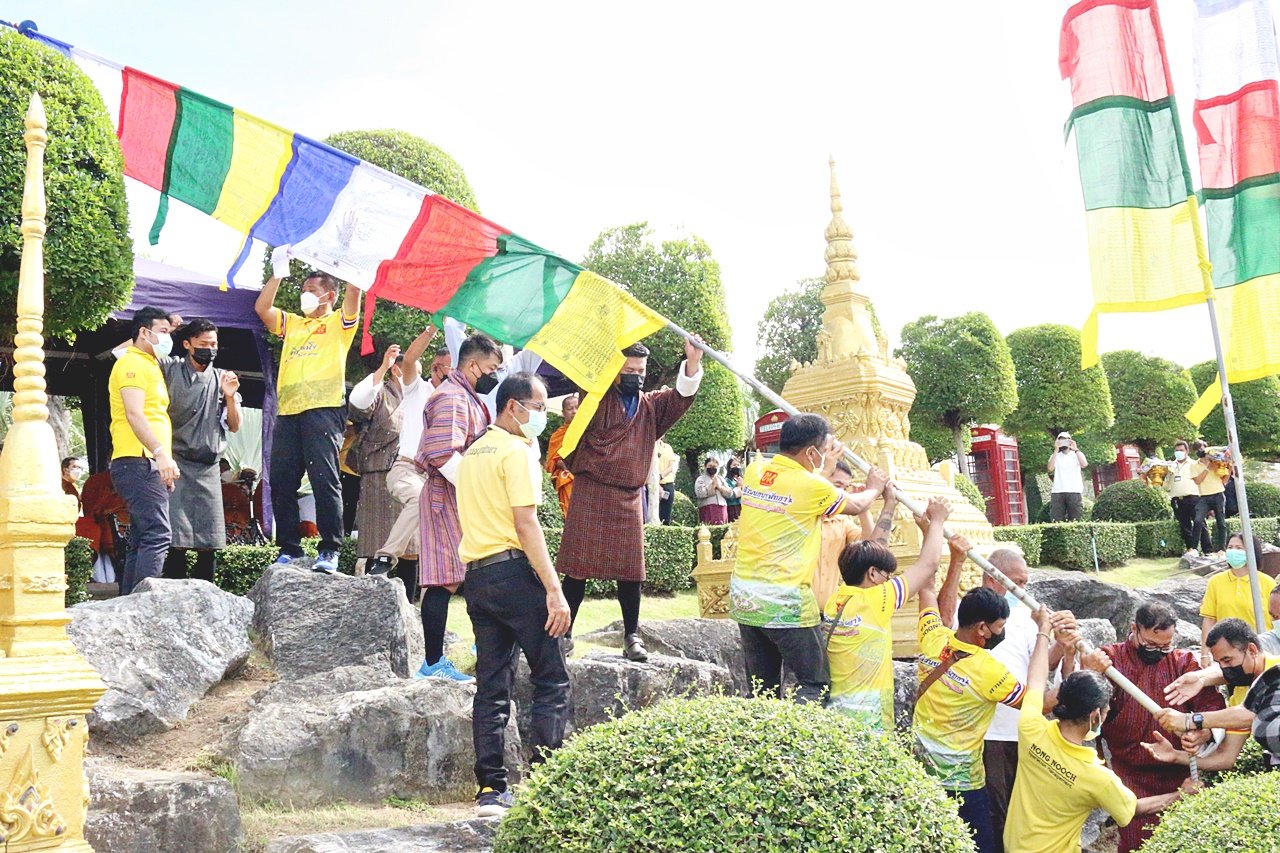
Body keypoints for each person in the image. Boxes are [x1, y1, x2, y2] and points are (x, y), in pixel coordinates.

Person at [456, 372, 571, 819]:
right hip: (516, 573)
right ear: (513, 407)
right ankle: (547, 785)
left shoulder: (473, 452)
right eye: (539, 407)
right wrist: (554, 589)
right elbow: (527, 525)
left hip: (479, 579)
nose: (543, 415)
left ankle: (490, 788)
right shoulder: (516, 452)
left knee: (491, 686)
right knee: (551, 676)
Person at [557, 338, 705, 662]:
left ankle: (631, 635)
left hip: (628, 496)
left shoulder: (651, 406)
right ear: (614, 371)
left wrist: (692, 361)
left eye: (640, 370)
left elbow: (681, 397)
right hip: (591, 490)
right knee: (577, 569)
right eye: (628, 370)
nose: (635, 376)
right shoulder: (595, 398)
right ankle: (563, 635)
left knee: (631, 572)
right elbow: (589, 374)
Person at [1004, 607, 1194, 853]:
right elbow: (1133, 807)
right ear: (1096, 715)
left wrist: (1044, 630)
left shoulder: (1031, 730)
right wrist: (1182, 794)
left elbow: (1036, 679)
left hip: (1014, 846)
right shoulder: (1096, 777)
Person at [730, 413, 888, 703]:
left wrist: (825, 464)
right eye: (824, 450)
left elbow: (798, 485)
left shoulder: (755, 471)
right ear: (811, 453)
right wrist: (875, 487)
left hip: (744, 598)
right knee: (815, 683)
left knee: (763, 691)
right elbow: (854, 505)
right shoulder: (813, 487)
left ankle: (764, 741)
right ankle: (799, 743)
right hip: (783, 600)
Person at [936, 545, 1076, 853]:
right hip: (990, 733)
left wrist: (1061, 644)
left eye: (1026, 582)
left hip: (1024, 729)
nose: (1023, 589)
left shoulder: (1028, 616)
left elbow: (1041, 665)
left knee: (1025, 808)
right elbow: (942, 619)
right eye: (1017, 582)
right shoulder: (971, 613)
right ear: (991, 578)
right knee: (995, 811)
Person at [1076, 602, 1226, 853]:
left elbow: (1213, 707)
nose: (1158, 651)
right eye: (1151, 644)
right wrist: (1091, 672)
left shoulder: (1183, 663)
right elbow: (1087, 712)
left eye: (1165, 646)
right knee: (1138, 841)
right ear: (1134, 629)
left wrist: (1204, 731)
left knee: (1183, 839)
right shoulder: (1110, 660)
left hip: (1178, 769)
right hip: (1130, 770)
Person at [255, 246, 362, 573]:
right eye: (302, 291)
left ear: (329, 295)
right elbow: (263, 308)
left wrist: (345, 256)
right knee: (282, 480)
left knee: (323, 479)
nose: (304, 296)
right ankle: (290, 548)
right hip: (288, 412)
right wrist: (278, 274)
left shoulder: (338, 325)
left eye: (311, 291)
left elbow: (355, 289)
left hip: (324, 411)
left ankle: (329, 550)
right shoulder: (294, 324)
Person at [415, 333, 503, 681]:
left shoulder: (465, 396)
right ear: (472, 365)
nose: (495, 374)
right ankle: (433, 663)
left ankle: (485, 644)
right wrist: (475, 487)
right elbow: (440, 452)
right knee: (443, 581)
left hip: (458, 496)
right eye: (492, 368)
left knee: (470, 573)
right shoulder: (452, 397)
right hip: (446, 497)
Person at [914, 581, 1027, 852]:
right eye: (999, 627)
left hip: (921, 771)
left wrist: (956, 559)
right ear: (981, 629)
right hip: (962, 783)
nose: (1002, 632)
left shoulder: (934, 639)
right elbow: (1037, 704)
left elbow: (927, 592)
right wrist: (1046, 635)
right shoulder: (990, 672)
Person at [823, 495, 947, 730]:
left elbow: (876, 550)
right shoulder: (877, 598)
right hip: (869, 714)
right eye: (886, 575)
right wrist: (938, 522)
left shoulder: (837, 599)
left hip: (838, 708)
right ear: (872, 574)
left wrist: (889, 505)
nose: (888, 581)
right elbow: (928, 565)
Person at [158, 319, 242, 584]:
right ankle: (172, 592)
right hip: (176, 462)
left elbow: (235, 426)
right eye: (204, 344)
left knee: (210, 539)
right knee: (176, 538)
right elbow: (123, 353)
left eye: (214, 344)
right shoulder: (169, 368)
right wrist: (164, 330)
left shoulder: (222, 377)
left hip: (208, 465)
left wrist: (230, 396)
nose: (210, 349)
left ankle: (207, 593)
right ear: (187, 344)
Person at [108, 306, 179, 594]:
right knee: (157, 535)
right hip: (139, 459)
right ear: (143, 333)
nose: (167, 338)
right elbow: (135, 414)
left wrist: (165, 329)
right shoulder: (132, 364)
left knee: (141, 538)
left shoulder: (148, 363)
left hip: (143, 460)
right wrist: (161, 453)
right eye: (162, 332)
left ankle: (128, 606)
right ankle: (144, 606)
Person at [363, 329, 442, 577]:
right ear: (437, 367)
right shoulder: (419, 389)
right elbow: (409, 360)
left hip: (444, 477)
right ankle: (386, 556)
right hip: (407, 469)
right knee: (420, 499)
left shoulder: (463, 400)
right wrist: (432, 329)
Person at [1157, 618, 1280, 762]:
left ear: (1252, 650)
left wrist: (1190, 720)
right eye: (1219, 663)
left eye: (1227, 660)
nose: (1224, 668)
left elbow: (1251, 714)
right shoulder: (1240, 693)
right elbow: (1226, 757)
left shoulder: (1276, 672)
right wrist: (1176, 756)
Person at [348, 344, 411, 571]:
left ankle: (409, 601)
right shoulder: (381, 393)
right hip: (377, 474)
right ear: (397, 371)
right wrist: (384, 367)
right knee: (376, 543)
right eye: (413, 369)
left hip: (410, 475)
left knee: (410, 547)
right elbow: (358, 405)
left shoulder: (417, 397)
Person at [812, 460, 881, 611]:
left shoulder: (842, 522)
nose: (842, 494)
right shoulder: (802, 516)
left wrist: (863, 509)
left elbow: (870, 546)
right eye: (837, 487)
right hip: (795, 614)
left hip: (827, 613)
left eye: (845, 488)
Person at [1200, 532, 1276, 666]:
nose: (1233, 551)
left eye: (1239, 548)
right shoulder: (1215, 582)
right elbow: (1209, 619)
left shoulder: (1267, 583)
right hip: (1227, 655)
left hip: (1260, 652)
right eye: (1230, 547)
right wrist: (1205, 653)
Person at [1190, 439, 1228, 556]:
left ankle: (1222, 549)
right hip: (1204, 497)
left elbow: (1224, 480)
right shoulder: (1194, 465)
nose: (1200, 451)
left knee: (1221, 523)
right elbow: (1197, 481)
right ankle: (1194, 549)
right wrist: (1207, 468)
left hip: (1218, 494)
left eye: (1202, 448)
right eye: (1197, 449)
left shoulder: (1217, 462)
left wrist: (1229, 468)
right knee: (1197, 521)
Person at [544, 392, 579, 518]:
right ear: (563, 413)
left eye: (577, 407)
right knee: (569, 514)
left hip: (585, 477)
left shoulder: (590, 432)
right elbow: (554, 459)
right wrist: (566, 468)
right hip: (567, 477)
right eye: (570, 409)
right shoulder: (558, 435)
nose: (574, 411)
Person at [1164, 439, 1199, 555]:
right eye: (1177, 450)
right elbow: (1166, 485)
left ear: (1187, 451)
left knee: (1199, 523)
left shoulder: (1194, 464)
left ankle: (1208, 549)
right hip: (1177, 499)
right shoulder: (1170, 466)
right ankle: (1191, 549)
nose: (1179, 452)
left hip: (1193, 497)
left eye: (1181, 450)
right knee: (1185, 526)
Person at [1047, 431, 1087, 522]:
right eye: (1061, 440)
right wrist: (1056, 450)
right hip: (1058, 491)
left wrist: (1076, 449)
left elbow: (1084, 464)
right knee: (1056, 520)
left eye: (1066, 440)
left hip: (1074, 490)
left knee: (1075, 519)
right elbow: (1050, 468)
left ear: (1070, 441)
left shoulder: (1077, 454)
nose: (1063, 442)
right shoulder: (1055, 456)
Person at [694, 456, 735, 525]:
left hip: (722, 508)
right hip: (707, 509)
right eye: (710, 466)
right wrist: (712, 486)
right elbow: (699, 493)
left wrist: (720, 487)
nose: (712, 468)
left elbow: (730, 493)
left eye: (715, 466)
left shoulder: (721, 479)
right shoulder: (701, 479)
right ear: (705, 466)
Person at [656, 438, 678, 525]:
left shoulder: (668, 447)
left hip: (667, 484)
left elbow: (671, 467)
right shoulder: (648, 446)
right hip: (652, 484)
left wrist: (660, 476)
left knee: (666, 515)